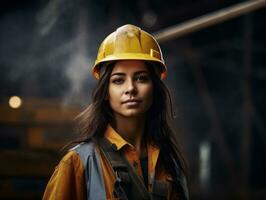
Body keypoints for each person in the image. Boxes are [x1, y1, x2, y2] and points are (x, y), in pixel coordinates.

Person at [43, 24, 189, 200]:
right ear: (106, 91)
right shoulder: (78, 163)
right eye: (118, 80)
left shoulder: (169, 165)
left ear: (154, 89)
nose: (130, 88)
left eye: (141, 78)